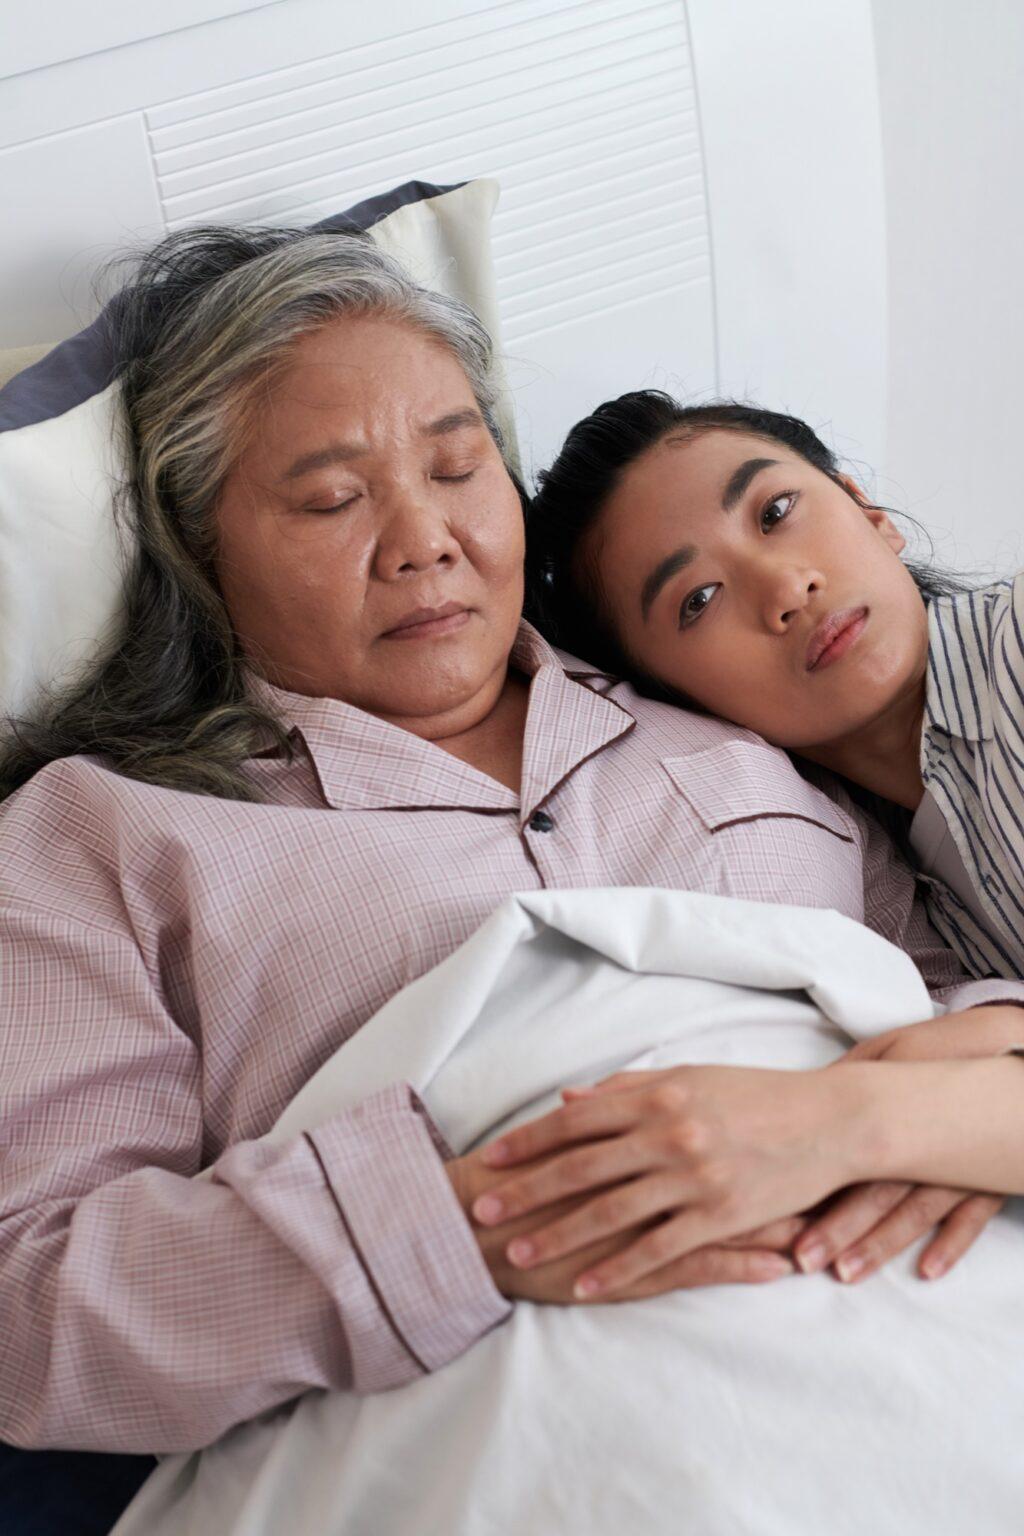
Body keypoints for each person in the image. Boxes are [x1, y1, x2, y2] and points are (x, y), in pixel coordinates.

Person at [2, 233, 1023, 1531]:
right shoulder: (103, 835)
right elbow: (28, 1300)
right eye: (330, 501)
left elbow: (946, 992)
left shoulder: (732, 724)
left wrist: (936, 1084)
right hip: (547, 1432)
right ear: (205, 555)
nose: (426, 540)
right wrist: (470, 1225)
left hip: (948, 1347)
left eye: (455, 465)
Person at [524, 392, 1024, 989]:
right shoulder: (879, 884)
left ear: (869, 511)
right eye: (698, 600)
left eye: (776, 512)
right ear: (678, 704)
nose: (787, 590)